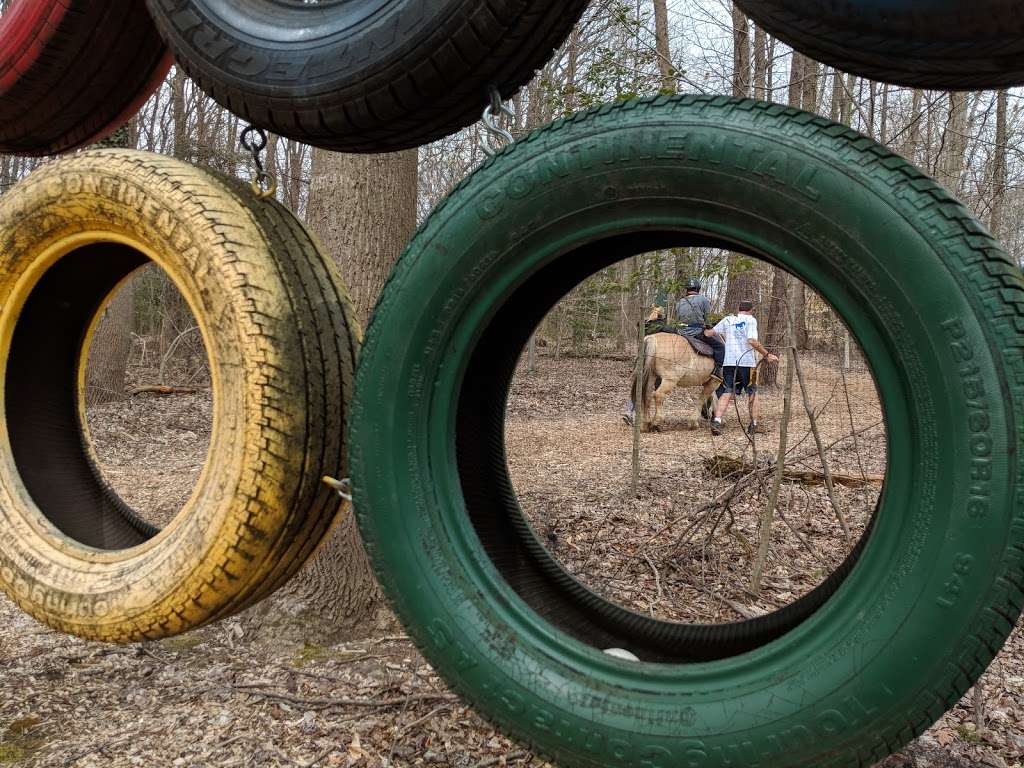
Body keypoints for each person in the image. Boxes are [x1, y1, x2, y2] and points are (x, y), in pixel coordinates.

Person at [710, 299, 779, 436]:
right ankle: (753, 425)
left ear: (739, 309)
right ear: (751, 310)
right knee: (752, 392)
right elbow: (751, 340)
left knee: (727, 391)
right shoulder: (751, 320)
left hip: (729, 362)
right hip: (747, 364)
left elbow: (710, 333)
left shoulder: (728, 319)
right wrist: (767, 354)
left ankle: (716, 421)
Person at [675, 279, 725, 381]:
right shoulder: (703, 300)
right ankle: (718, 371)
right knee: (720, 347)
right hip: (696, 332)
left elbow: (678, 317)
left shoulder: (680, 302)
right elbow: (707, 319)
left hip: (680, 331)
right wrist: (709, 327)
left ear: (687, 289)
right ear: (698, 289)